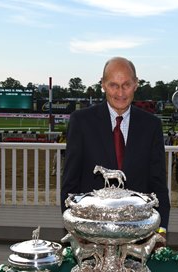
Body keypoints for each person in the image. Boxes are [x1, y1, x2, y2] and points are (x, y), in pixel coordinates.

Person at [61, 56, 170, 236]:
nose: (120, 92)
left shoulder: (152, 125)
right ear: (102, 84)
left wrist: (161, 230)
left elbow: (158, 184)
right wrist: (74, 232)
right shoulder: (81, 122)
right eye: (113, 85)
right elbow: (70, 185)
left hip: (139, 233)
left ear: (136, 84)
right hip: (91, 232)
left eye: (126, 84)